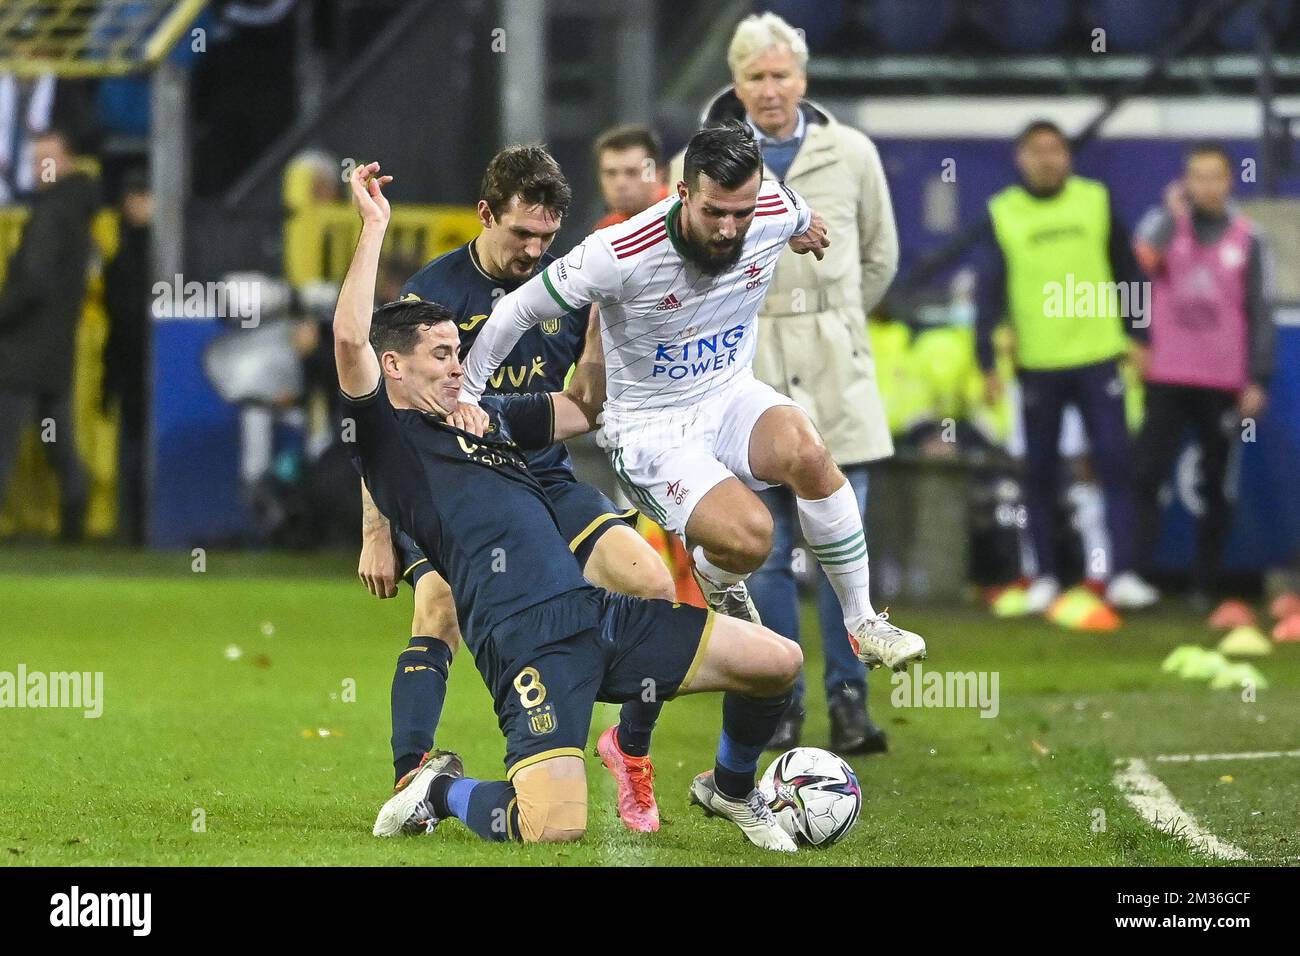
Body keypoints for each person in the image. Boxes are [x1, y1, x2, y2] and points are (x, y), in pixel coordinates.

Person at [338, 161, 805, 852]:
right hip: (528, 640)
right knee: (553, 827)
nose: (458, 365)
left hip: (599, 617)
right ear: (395, 368)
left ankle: (731, 788)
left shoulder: (483, 414)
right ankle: (434, 787)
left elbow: (583, 409)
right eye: (441, 354)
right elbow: (352, 340)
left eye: (459, 352)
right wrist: (374, 225)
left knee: (780, 662)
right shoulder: (390, 438)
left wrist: (616, 311)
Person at [459, 122, 927, 678]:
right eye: (715, 213)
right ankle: (715, 576)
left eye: (742, 212)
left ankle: (863, 623)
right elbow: (516, 312)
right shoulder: (618, 252)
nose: (730, 229)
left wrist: (807, 229)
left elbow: (798, 212)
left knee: (809, 452)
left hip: (730, 394)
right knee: (752, 539)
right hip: (651, 428)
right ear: (682, 194)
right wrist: (467, 393)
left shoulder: (774, 208)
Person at [356, 145, 675, 834]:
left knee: (650, 582)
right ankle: (412, 778)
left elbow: (582, 403)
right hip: (454, 490)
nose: (533, 250)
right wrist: (377, 531)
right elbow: (379, 426)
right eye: (519, 233)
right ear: (483, 214)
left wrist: (600, 338)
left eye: (546, 238)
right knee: (438, 603)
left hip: (544, 477)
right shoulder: (431, 299)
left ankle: (631, 750)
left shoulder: (563, 289)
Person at [671, 11, 900, 754]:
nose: (771, 91)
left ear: (803, 78)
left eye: (782, 75)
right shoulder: (698, 158)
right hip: (741, 372)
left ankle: (850, 701)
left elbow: (878, 260)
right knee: (761, 552)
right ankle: (782, 701)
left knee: (843, 546)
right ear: (734, 84)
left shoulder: (853, 152)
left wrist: (832, 323)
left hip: (838, 372)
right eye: (756, 77)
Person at [976, 119, 1159, 614]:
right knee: (1038, 473)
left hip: (1099, 357)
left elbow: (1129, 269)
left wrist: (1140, 334)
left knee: (1116, 465)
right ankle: (1046, 577)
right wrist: (986, 360)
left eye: (1055, 150)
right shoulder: (1004, 213)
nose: (1046, 159)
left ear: (1068, 157)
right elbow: (988, 291)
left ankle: (1122, 575)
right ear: (1021, 158)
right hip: (1037, 362)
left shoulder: (1094, 200)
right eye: (1036, 151)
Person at [1132, 142, 1274, 613]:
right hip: (1168, 374)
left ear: (1229, 180)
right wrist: (1172, 215)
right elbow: (1139, 263)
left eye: (1215, 176)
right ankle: (1134, 577)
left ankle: (1204, 583)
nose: (1206, 185)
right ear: (1185, 182)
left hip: (1221, 380)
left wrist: (1258, 377)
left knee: (1215, 483)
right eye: (1197, 176)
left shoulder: (1249, 239)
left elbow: (1260, 310)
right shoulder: (1163, 228)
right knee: (1148, 474)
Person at [0, 128, 97, 540]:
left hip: (22, 350)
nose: (40, 168)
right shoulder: (79, 210)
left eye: (47, 159)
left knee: (3, 443)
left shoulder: (52, 212)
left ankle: (74, 516)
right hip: (56, 350)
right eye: (36, 159)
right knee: (57, 441)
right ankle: (75, 519)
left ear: (67, 161)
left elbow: (34, 282)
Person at [102, 168, 153, 544]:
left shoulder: (163, 250)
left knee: (147, 447)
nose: (136, 205)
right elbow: (117, 320)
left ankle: (147, 527)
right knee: (131, 449)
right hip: (130, 364)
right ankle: (131, 528)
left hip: (152, 366)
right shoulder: (121, 255)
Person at [592, 125, 668, 231]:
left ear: (657, 175)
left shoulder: (683, 216)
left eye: (632, 172)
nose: (620, 184)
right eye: (611, 173)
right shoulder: (608, 229)